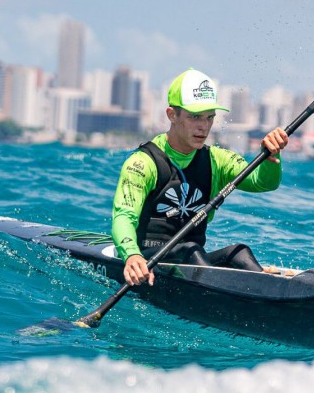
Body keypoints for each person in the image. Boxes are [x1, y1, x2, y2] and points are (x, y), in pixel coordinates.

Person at [111, 68, 289, 286]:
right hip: (147, 262)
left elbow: (263, 183)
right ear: (172, 115)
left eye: (209, 117)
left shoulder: (217, 160)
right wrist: (131, 255)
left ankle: (265, 292)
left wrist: (271, 156)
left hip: (194, 264)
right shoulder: (142, 163)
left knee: (239, 253)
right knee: (190, 249)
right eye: (195, 117)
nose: (203, 126)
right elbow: (123, 216)